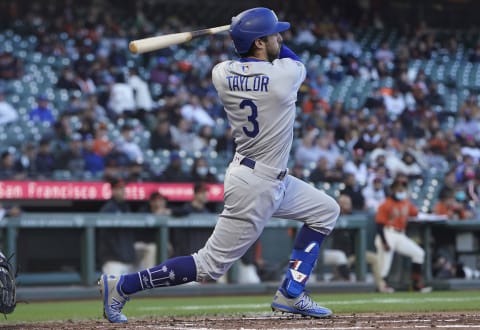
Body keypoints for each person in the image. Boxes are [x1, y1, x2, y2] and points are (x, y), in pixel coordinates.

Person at [99, 7, 339, 323]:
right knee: (210, 265)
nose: (279, 37)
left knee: (325, 210)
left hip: (263, 175)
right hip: (256, 185)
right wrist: (247, 32)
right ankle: (123, 286)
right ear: (259, 43)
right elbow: (288, 55)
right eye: (273, 34)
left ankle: (291, 293)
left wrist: (244, 33)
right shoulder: (285, 76)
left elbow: (253, 56)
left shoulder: (221, 73)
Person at [375, 176, 432, 292]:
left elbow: (416, 214)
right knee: (384, 262)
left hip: (400, 234)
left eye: (403, 188)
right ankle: (381, 286)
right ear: (393, 189)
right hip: (387, 232)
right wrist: (384, 241)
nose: (401, 190)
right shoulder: (385, 204)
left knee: (419, 253)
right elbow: (379, 225)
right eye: (398, 188)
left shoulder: (406, 203)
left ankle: (416, 284)